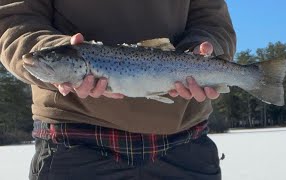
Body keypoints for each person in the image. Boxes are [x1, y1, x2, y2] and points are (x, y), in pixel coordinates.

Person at [0, 0, 236, 179]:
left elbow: (211, 20)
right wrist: (52, 49)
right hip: (75, 142)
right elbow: (14, 18)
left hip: (186, 144)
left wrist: (204, 51)